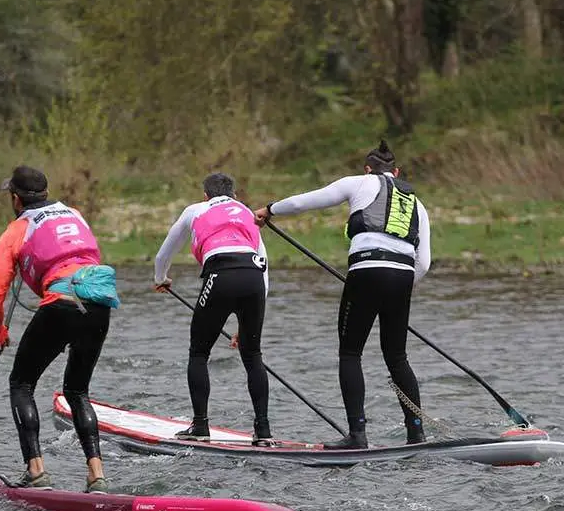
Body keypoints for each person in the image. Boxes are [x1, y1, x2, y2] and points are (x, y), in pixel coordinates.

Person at [254, 140, 431, 449]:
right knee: (397, 356)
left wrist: (270, 209)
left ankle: (357, 436)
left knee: (351, 353)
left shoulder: (358, 182)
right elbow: (424, 263)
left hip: (366, 271)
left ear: (368, 170)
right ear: (397, 172)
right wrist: (396, 289)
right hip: (403, 277)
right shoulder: (419, 204)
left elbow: (303, 202)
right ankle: (416, 433)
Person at [0, 166, 120, 492]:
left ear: (16, 199)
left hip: (61, 304)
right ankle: (96, 475)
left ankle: (36, 470)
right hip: (99, 303)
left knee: (21, 382)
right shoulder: (73, 213)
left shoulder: (15, 231)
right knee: (77, 391)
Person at [153, 172, 274, 446]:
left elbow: (164, 253)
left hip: (220, 277)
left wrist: (160, 279)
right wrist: (246, 325)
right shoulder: (246, 211)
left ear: (205, 195)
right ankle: (263, 432)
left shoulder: (195, 209)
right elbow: (263, 262)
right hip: (254, 280)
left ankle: (200, 426)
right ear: (233, 195)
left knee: (199, 352)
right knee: (252, 355)